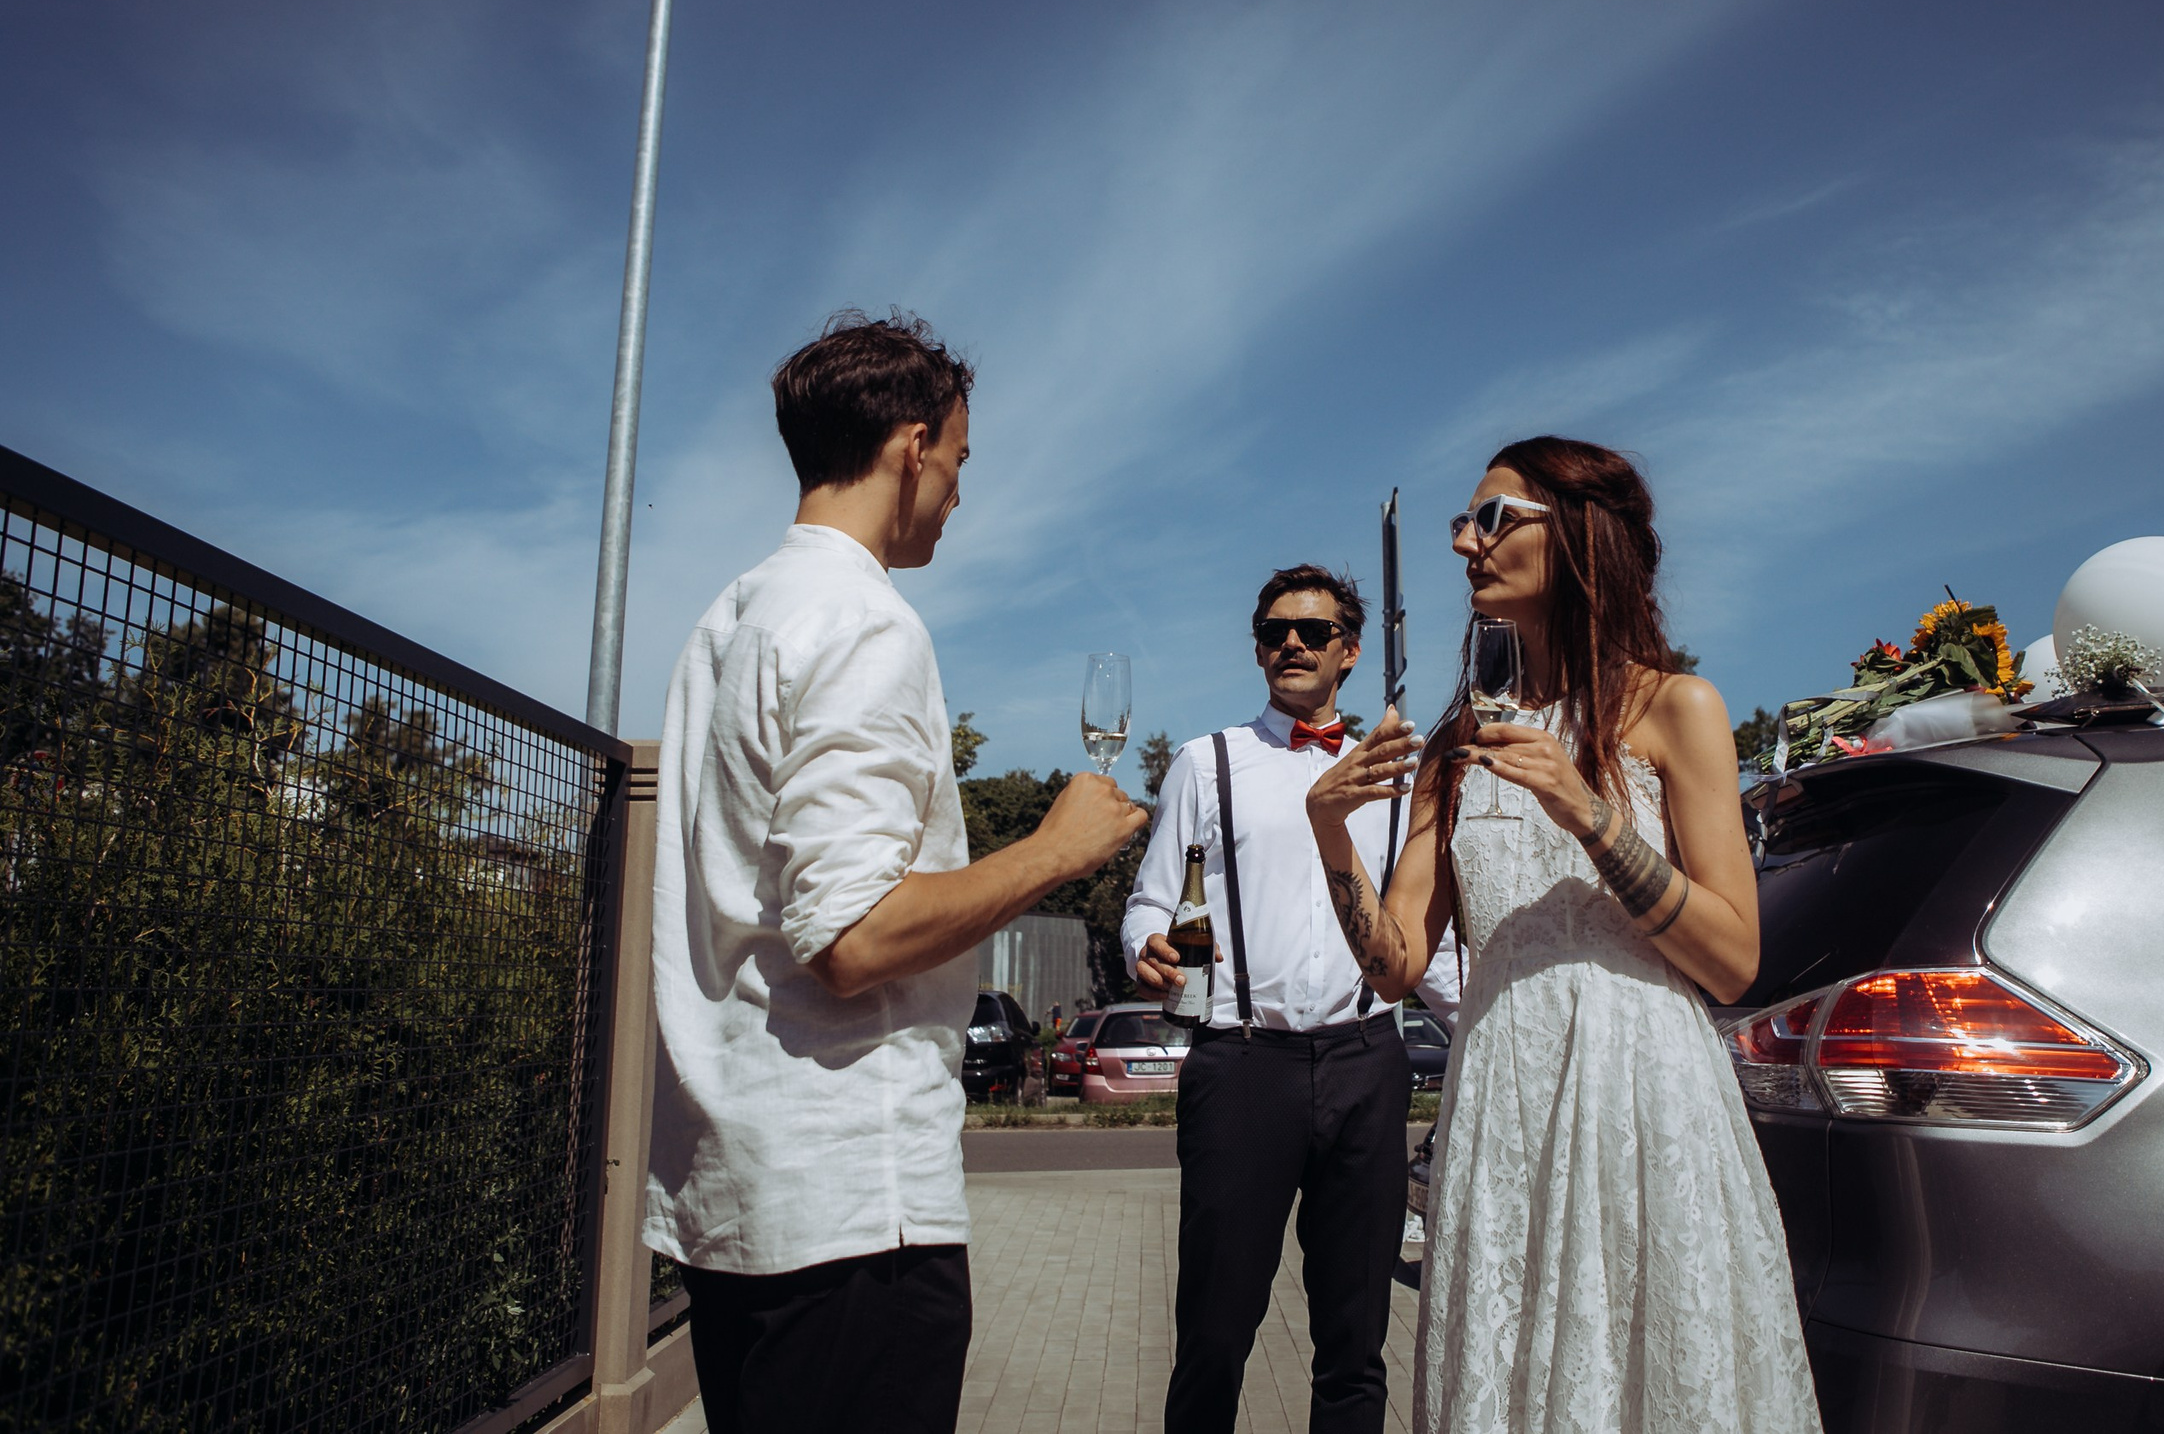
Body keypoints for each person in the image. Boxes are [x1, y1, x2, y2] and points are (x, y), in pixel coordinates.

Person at [645, 311, 1146, 1434]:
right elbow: (853, 938)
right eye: (961, 462)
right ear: (912, 447)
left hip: (740, 1191)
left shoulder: (731, 616)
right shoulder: (866, 621)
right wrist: (1055, 851)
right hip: (850, 1214)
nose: (960, 495)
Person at [1305, 438, 1820, 1434]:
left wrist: (1590, 810)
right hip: (1504, 1096)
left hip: (1644, 1090)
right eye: (1464, 521)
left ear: (1581, 536)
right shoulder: (1456, 749)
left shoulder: (1677, 708)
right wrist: (1330, 837)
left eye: (1492, 517)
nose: (1464, 541)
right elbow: (1392, 965)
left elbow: (1731, 959)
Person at [1123, 564, 1462, 1434]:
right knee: (1214, 1330)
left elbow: (1426, 940)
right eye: (1274, 631)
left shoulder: (1401, 770)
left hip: (1367, 1062)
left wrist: (1489, 1031)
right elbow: (1150, 902)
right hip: (1241, 1067)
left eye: (1312, 631)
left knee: (1355, 1341)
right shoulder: (1210, 763)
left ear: (1350, 650)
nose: (1291, 644)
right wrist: (1145, 948)